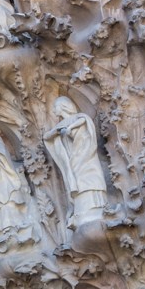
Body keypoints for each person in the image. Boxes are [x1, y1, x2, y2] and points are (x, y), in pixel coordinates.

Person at [43, 97, 107, 227]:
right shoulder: (60, 126)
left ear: (63, 106)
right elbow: (46, 136)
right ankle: (82, 212)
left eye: (56, 107)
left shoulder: (80, 117)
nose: (54, 110)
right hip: (73, 159)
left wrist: (70, 128)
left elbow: (84, 121)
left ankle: (97, 208)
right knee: (77, 182)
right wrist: (58, 131)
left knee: (89, 180)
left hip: (85, 156)